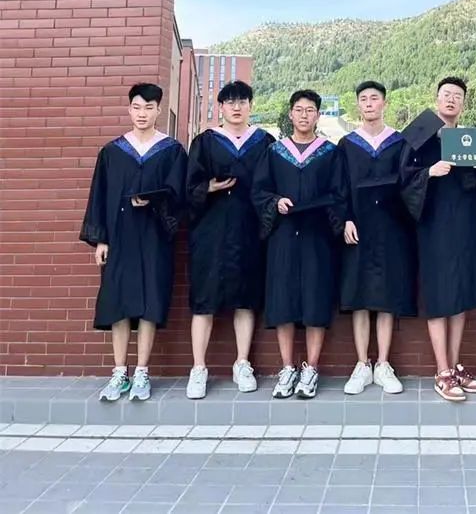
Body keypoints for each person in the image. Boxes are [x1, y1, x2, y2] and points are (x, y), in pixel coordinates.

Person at [80, 83, 187, 402]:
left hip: (155, 236)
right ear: (129, 110)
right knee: (119, 302)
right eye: (137, 107)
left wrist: (156, 202)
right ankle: (119, 372)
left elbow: (179, 195)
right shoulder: (112, 151)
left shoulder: (171, 150)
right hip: (120, 236)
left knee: (151, 299)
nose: (142, 114)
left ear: (159, 111)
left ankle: (142, 371)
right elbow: (99, 197)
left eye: (149, 108)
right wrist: (101, 240)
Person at [251, 89, 346, 400]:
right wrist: (275, 202)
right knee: (283, 300)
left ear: (318, 115)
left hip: (317, 236)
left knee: (316, 299)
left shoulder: (330, 152)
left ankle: (311, 368)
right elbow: (260, 191)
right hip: (283, 235)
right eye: (299, 110)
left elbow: (339, 193)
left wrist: (327, 213)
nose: (304, 115)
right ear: (290, 114)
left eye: (310, 110)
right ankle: (287, 367)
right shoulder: (275, 152)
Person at [401, 77, 476, 402]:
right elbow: (403, 178)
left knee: (461, 294)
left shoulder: (469, 139)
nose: (451, 100)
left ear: (463, 103)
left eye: (457, 96)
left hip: (465, 226)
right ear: (437, 99)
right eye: (446, 94)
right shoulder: (419, 135)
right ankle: (442, 371)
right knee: (439, 296)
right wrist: (429, 172)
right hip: (434, 226)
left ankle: (455, 365)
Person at [185, 80, 275, 399]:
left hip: (248, 230)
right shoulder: (205, 142)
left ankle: (242, 363)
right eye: (230, 102)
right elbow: (188, 188)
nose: (237, 107)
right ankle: (199, 368)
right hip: (210, 232)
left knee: (246, 297)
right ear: (220, 107)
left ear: (251, 106)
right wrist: (207, 188)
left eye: (242, 101)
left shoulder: (264, 142)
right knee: (204, 299)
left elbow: (272, 185)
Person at [339, 80, 416, 396]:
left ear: (384, 103)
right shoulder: (347, 144)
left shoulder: (400, 142)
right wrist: (345, 218)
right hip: (357, 227)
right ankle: (362, 364)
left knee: (387, 295)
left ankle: (383, 364)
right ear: (358, 105)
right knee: (359, 295)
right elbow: (339, 186)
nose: (369, 103)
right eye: (364, 99)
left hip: (390, 227)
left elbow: (409, 183)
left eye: (374, 98)